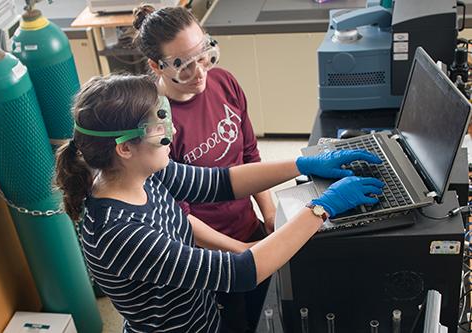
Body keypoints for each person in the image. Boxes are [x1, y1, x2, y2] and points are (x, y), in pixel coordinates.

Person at [55, 74, 385, 333]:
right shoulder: (121, 233)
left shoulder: (139, 173)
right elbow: (242, 273)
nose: (171, 130)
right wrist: (320, 208)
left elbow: (219, 183)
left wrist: (303, 164)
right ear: (124, 148)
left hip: (205, 314)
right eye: (159, 127)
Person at [132, 6, 277, 331]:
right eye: (184, 66)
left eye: (204, 56)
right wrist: (242, 254)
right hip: (211, 255)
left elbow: (249, 156)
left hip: (248, 231)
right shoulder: (157, 124)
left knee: (265, 313)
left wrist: (269, 217)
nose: (200, 73)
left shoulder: (224, 82)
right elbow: (179, 214)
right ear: (157, 66)